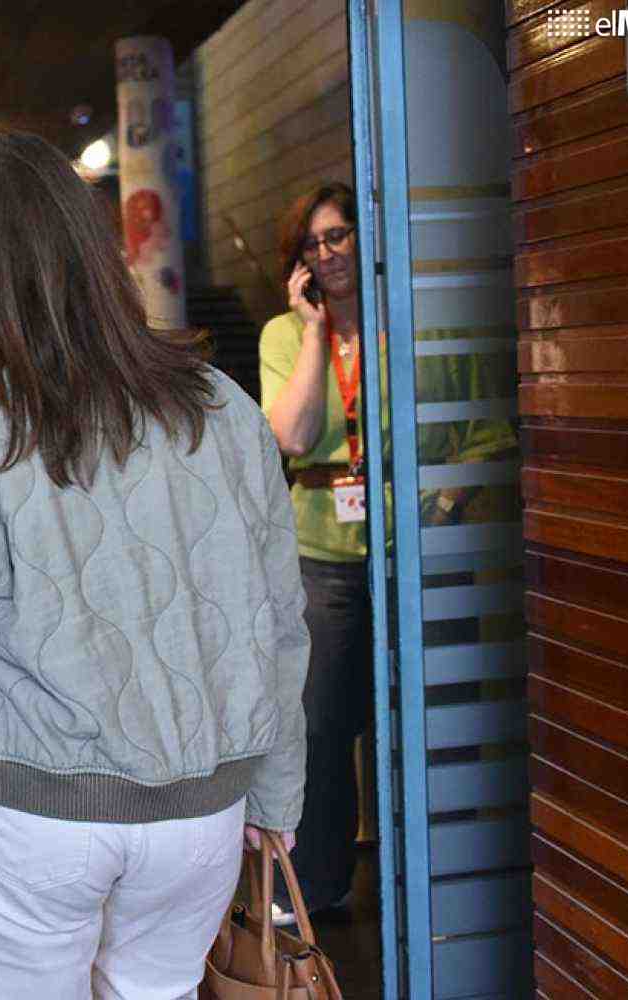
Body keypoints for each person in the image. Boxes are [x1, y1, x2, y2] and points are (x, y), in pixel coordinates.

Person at [0, 130, 310, 999]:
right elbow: (277, 619)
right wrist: (276, 797)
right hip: (201, 814)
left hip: (30, 811)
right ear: (94, 252)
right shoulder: (218, 406)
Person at [258, 182, 373, 925]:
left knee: (400, 715)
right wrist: (311, 330)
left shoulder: (405, 316)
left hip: (407, 549)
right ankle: (316, 885)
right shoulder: (282, 334)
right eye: (313, 244)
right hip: (320, 549)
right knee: (321, 724)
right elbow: (293, 438)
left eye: (338, 237)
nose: (327, 254)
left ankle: (412, 870)